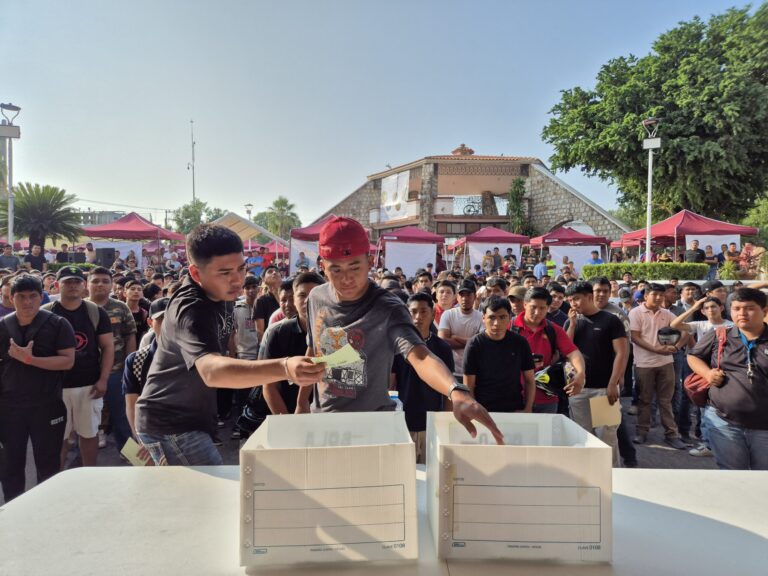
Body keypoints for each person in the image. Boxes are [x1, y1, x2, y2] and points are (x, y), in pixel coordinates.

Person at [297, 216, 503, 443]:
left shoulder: (389, 308)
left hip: (372, 428)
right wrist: (300, 403)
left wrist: (455, 390)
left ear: (369, 261)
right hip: (323, 424)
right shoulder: (316, 297)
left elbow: (421, 356)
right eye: (335, 269)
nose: (346, 278)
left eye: (354, 267)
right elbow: (314, 351)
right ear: (323, 267)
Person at [135, 224, 325, 466]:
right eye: (225, 272)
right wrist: (285, 367)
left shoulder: (221, 294)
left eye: (241, 268)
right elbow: (212, 371)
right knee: (215, 489)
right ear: (196, 274)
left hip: (190, 421)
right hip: (170, 425)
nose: (237, 280)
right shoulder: (191, 308)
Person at [0, 275, 75, 502]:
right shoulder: (2, 327)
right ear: (11, 298)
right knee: (10, 466)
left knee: (48, 465)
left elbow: (67, 361)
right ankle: (13, 511)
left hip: (47, 405)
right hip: (8, 408)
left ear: (41, 297)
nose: (27, 302)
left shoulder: (58, 324)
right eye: (21, 297)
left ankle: (47, 509)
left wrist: (30, 360)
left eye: (33, 296)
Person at [687, 288, 768, 470]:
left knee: (763, 477)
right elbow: (693, 356)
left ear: (764, 311)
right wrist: (707, 374)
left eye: (749, 308)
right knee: (732, 474)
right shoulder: (720, 335)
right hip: (723, 421)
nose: (742, 313)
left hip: (764, 427)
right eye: (736, 308)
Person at [44, 266, 114, 467]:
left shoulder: (95, 312)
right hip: (55, 388)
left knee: (89, 434)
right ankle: (55, 478)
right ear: (57, 285)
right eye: (68, 282)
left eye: (77, 282)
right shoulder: (45, 313)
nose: (73, 286)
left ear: (83, 285)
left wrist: (103, 380)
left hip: (89, 386)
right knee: (57, 437)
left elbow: (108, 347)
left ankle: (88, 476)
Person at [564, 281, 629, 466]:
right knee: (583, 437)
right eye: (570, 300)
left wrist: (613, 383)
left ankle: (613, 474)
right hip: (578, 390)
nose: (573, 303)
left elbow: (622, 352)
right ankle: (588, 474)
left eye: (577, 299)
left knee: (607, 436)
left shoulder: (611, 320)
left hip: (604, 389)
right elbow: (566, 351)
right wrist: (572, 325)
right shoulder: (571, 321)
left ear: (589, 297)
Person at [392, 292, 454, 463]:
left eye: (423, 311)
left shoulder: (442, 348)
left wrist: (446, 422)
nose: (418, 317)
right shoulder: (397, 347)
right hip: (403, 423)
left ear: (433, 314)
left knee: (432, 472)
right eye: (413, 312)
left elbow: (449, 389)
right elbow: (390, 385)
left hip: (432, 423)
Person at [628, 283, 689, 449]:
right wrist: (655, 349)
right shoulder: (635, 312)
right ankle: (642, 432)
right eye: (654, 294)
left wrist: (677, 347)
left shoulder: (667, 313)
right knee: (644, 400)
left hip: (666, 363)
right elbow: (635, 337)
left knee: (666, 401)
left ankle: (671, 434)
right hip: (644, 363)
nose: (658, 298)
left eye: (661, 295)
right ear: (645, 296)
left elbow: (686, 330)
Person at [86, 267, 137, 453]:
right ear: (87, 284)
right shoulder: (80, 307)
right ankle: (84, 457)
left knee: (122, 414)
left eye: (105, 281)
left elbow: (130, 336)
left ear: (112, 285)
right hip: (86, 372)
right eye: (95, 281)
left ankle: (129, 453)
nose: (100, 284)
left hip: (117, 370)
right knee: (87, 414)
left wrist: (130, 366)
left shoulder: (121, 307)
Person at [512, 287, 586, 413]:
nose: (537, 312)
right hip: (513, 397)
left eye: (542, 308)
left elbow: (574, 353)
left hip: (546, 398)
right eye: (533, 307)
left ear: (547, 308)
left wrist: (581, 374)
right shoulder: (509, 327)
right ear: (524, 304)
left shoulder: (553, 330)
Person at [464, 295, 535, 413]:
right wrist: (474, 410)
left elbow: (529, 380)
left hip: (514, 408)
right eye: (492, 317)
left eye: (502, 317)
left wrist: (528, 408)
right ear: (483, 318)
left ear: (510, 318)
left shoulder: (520, 342)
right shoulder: (474, 344)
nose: (496, 323)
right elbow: (468, 385)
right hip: (483, 409)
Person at [122, 297, 169, 439]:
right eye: (161, 319)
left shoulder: (192, 355)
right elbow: (132, 403)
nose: (168, 324)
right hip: (150, 431)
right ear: (150, 322)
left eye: (173, 317)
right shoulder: (136, 360)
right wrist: (138, 436)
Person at [438, 279, 483, 379]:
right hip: (451, 371)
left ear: (474, 296)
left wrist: (456, 338)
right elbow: (442, 341)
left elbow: (482, 344)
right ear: (457, 297)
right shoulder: (448, 314)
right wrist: (471, 342)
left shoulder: (481, 317)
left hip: (474, 372)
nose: (464, 298)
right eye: (462, 295)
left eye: (468, 295)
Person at [254, 265, 281, 342]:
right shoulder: (260, 301)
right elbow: (260, 332)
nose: (274, 272)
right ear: (264, 279)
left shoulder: (291, 296)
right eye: (270, 272)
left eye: (277, 271)